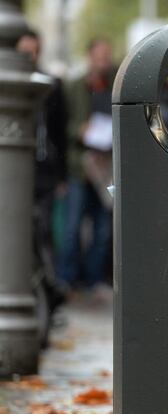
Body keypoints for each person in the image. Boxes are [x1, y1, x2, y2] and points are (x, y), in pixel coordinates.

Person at [16, 29, 68, 340]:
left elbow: (60, 131)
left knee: (43, 232)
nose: (28, 58)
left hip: (44, 172)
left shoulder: (51, 86)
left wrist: (61, 176)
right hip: (16, 173)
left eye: (32, 52)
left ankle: (48, 289)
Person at [57, 38, 116, 294]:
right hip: (80, 166)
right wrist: (78, 131)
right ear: (90, 56)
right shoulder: (74, 86)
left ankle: (93, 278)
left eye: (107, 56)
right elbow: (61, 124)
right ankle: (67, 278)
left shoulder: (115, 86)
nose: (103, 62)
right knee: (73, 225)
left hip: (107, 168)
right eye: (99, 56)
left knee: (104, 228)